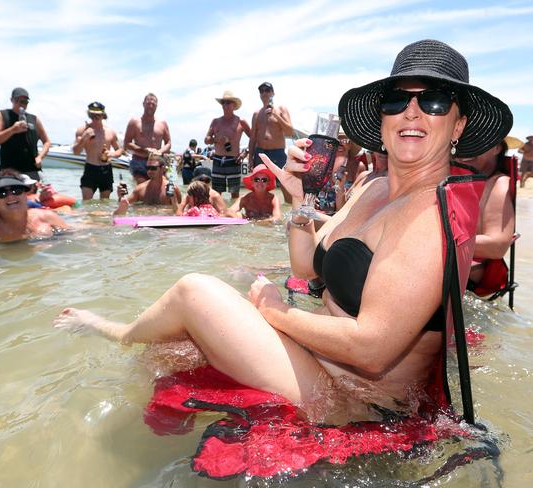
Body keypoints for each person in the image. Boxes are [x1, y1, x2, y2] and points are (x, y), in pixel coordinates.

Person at [54, 40, 511, 422]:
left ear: (459, 123)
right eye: (397, 101)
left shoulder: (429, 216)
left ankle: (116, 333)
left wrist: (276, 313)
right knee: (177, 347)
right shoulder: (372, 186)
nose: (411, 113)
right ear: (383, 119)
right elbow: (307, 266)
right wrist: (300, 201)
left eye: (432, 101)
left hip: (357, 403)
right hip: (322, 365)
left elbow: (373, 349)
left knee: (194, 292)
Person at [461, 142, 516, 287]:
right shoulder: (453, 176)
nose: (466, 148)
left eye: (477, 141)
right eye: (463, 141)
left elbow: (497, 246)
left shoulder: (498, 183)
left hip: (471, 274)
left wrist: (438, 242)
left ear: (497, 148)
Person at [0, 173, 69, 243]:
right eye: (1, 193)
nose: (10, 196)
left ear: (25, 194)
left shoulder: (46, 217)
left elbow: (73, 236)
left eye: (16, 190)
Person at [0, 87, 52, 181]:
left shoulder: (34, 119)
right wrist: (12, 130)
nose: (22, 104)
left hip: (32, 170)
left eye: (25, 102)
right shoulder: (2, 114)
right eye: (19, 101)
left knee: (33, 195)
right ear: (12, 100)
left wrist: (40, 157)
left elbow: (47, 142)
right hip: (9, 171)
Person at [249, 82, 294, 202]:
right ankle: (263, 214)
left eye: (267, 90)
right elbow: (253, 137)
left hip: (277, 153)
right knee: (259, 186)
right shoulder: (256, 114)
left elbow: (289, 131)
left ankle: (290, 213)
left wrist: (276, 115)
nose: (264, 93)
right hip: (260, 153)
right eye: (261, 91)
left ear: (273, 93)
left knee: (286, 186)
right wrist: (250, 158)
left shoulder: (281, 109)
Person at [205, 91, 251, 199]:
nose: (225, 105)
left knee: (234, 194)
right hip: (218, 159)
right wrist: (215, 139)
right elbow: (206, 140)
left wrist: (246, 152)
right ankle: (217, 214)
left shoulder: (241, 121)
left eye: (228, 103)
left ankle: (234, 214)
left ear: (234, 105)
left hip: (234, 160)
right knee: (216, 194)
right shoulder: (215, 121)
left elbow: (253, 137)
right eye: (223, 103)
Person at [72, 102, 124, 200]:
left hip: (106, 170)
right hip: (90, 169)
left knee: (105, 203)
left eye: (98, 115)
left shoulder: (110, 132)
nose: (95, 117)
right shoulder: (82, 130)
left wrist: (111, 154)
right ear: (89, 114)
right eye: (92, 115)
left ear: (103, 115)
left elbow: (120, 150)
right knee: (86, 202)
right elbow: (75, 152)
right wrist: (84, 138)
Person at [123, 93, 172, 184]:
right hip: (139, 161)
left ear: (156, 106)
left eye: (153, 104)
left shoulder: (162, 123)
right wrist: (145, 150)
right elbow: (127, 143)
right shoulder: (134, 122)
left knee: (165, 188)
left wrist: (160, 152)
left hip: (157, 161)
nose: (151, 106)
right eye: (148, 103)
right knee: (143, 188)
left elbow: (168, 143)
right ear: (143, 104)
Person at [113, 154, 182, 215]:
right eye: (147, 168)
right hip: (145, 226)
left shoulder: (172, 189)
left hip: (164, 224)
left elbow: (180, 211)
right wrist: (120, 197)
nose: (149, 171)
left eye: (153, 168)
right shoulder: (140, 189)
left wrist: (173, 199)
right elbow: (125, 206)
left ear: (162, 168)